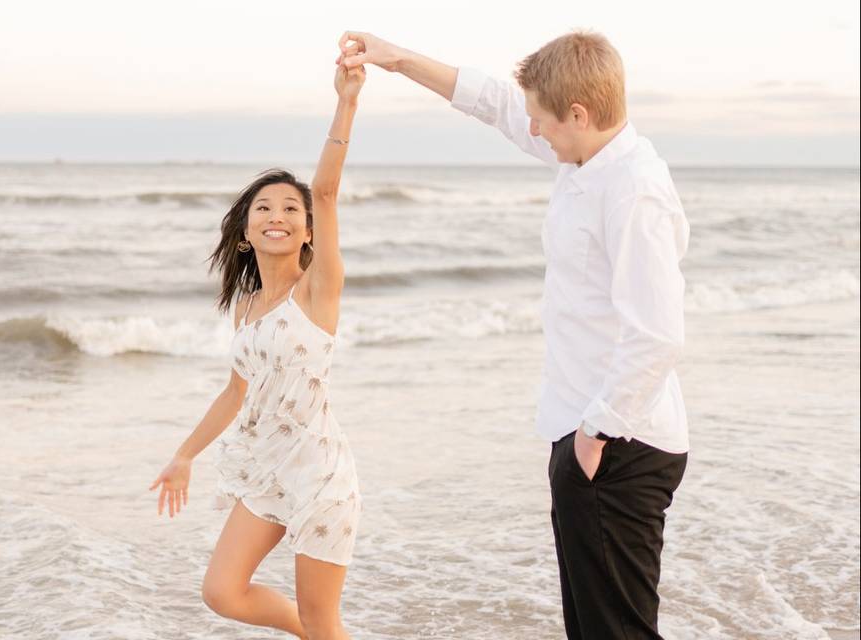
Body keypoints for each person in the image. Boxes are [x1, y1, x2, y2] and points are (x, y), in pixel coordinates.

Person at [337, 30, 689, 639]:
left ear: (578, 114)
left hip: (617, 445)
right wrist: (397, 59)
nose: (533, 131)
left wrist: (594, 433)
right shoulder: (585, 155)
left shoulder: (634, 190)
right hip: (585, 433)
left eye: (543, 121)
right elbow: (498, 102)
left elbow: (657, 334)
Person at [148, 61, 366, 640]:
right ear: (246, 231)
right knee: (222, 591)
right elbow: (235, 391)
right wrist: (184, 455)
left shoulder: (317, 288)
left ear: (309, 230)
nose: (277, 216)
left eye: (291, 210)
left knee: (324, 616)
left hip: (318, 471)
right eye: (264, 208)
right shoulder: (246, 307)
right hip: (266, 471)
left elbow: (325, 188)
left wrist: (346, 102)